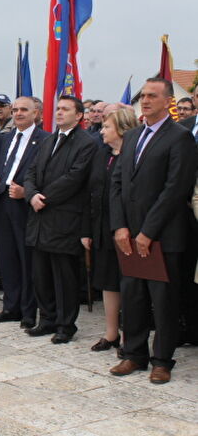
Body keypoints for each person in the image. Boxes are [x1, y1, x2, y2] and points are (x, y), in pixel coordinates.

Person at [109, 78, 197, 384]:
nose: (144, 101)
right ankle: (134, 354)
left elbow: (175, 190)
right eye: (143, 96)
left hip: (163, 237)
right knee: (132, 297)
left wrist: (147, 232)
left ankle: (162, 360)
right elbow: (117, 183)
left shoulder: (180, 137)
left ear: (168, 101)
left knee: (163, 302)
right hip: (129, 237)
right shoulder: (132, 136)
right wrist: (120, 226)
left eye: (152, 96)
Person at [24, 95, 97, 343]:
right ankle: (47, 319)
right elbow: (31, 171)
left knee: (64, 276)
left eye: (65, 109)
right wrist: (32, 194)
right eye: (57, 108)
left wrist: (44, 198)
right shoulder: (49, 139)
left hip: (64, 219)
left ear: (79, 116)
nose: (59, 113)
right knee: (41, 273)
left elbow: (75, 178)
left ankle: (66, 325)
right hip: (40, 217)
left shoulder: (86, 143)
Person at [0, 97, 49, 328]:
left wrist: (27, 191)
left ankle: (28, 311)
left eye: (24, 110)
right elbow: (0, 168)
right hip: (3, 202)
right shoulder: (6, 137)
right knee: (7, 257)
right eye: (15, 110)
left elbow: (46, 175)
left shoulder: (45, 140)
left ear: (37, 113)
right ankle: (10, 307)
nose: (18, 113)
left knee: (27, 260)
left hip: (25, 205)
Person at [81, 108, 139, 353]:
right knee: (108, 282)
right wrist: (87, 230)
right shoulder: (102, 154)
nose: (101, 131)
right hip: (102, 228)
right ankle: (111, 333)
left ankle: (130, 338)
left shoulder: (135, 155)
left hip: (128, 229)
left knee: (130, 286)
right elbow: (90, 192)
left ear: (122, 129)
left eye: (106, 127)